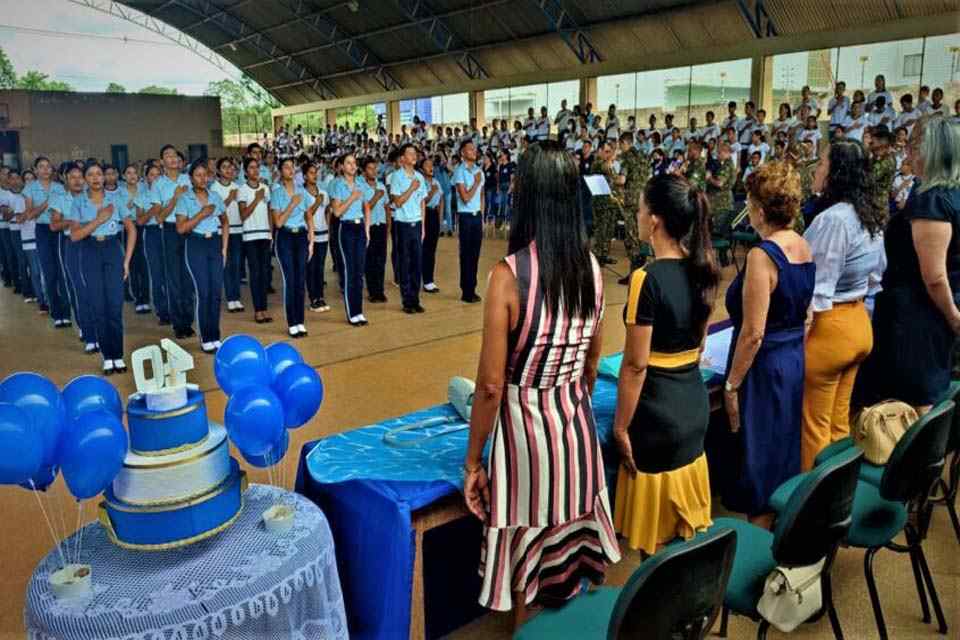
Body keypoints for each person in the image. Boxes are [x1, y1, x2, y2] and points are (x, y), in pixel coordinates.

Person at [463, 141, 620, 625]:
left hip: (525, 436)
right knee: (572, 558)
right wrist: (568, 400)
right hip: (575, 427)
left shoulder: (508, 276)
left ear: (526, 195)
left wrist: (473, 461)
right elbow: (592, 362)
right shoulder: (592, 268)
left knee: (529, 573)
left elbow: (490, 386)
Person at [612, 172, 718, 556]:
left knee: (655, 542)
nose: (637, 216)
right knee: (682, 532)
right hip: (693, 406)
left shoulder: (647, 278)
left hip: (657, 416)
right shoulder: (703, 269)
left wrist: (620, 427)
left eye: (640, 210)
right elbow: (698, 343)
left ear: (654, 220)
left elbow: (635, 366)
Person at [722, 161, 815, 524]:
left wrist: (732, 385)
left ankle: (761, 537)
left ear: (760, 210)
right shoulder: (803, 246)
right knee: (783, 447)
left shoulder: (762, 256)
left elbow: (753, 332)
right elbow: (806, 314)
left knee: (760, 454)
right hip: (793, 358)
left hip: (764, 364)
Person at [854, 116, 960, 412]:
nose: (908, 152)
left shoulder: (931, 200)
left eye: (914, 146)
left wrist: (953, 317)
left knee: (916, 402)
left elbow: (934, 276)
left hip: (919, 316)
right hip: (930, 310)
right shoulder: (948, 193)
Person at [800, 140, 886, 470]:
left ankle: (814, 496)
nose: (816, 169)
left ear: (836, 172)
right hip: (858, 323)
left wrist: (802, 337)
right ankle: (842, 488)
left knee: (814, 425)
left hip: (830, 328)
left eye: (821, 163)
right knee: (839, 419)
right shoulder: (869, 215)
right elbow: (876, 276)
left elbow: (818, 289)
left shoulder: (834, 220)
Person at [68, 162, 136, 373]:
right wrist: (99, 220)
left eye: (99, 174)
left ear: (104, 177)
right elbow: (75, 235)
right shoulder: (78, 202)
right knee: (98, 306)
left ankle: (118, 355)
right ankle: (107, 356)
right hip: (89, 251)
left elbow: (132, 230)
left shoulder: (115, 200)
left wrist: (126, 261)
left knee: (115, 306)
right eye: (91, 174)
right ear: (85, 179)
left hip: (112, 250)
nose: (96, 178)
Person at [176, 160, 228, 354]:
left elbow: (225, 222)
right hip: (196, 244)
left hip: (214, 243)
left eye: (205, 175)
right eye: (198, 175)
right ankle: (205, 337)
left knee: (216, 293)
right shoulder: (185, 199)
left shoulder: (215, 196)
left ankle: (215, 336)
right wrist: (201, 214)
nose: (202, 178)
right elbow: (181, 228)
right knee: (203, 292)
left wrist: (224, 248)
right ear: (191, 178)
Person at [154, 145, 195, 340]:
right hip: (170, 230)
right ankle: (178, 324)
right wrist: (175, 198)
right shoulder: (158, 184)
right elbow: (159, 217)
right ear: (162, 162)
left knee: (188, 277)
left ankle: (189, 321)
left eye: (174, 155)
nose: (172, 158)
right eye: (167, 156)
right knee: (174, 279)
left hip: (190, 228)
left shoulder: (189, 179)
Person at [23, 157, 70, 326]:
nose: (45, 170)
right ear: (35, 170)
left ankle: (66, 312)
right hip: (42, 230)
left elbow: (66, 209)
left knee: (62, 271)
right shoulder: (30, 188)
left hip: (59, 230)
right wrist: (46, 204)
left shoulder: (59, 187)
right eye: (41, 167)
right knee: (49, 272)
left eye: (48, 167)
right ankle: (56, 314)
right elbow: (29, 215)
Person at [270, 157, 313, 338]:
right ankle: (292, 322)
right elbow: (278, 222)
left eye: (292, 167)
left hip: (301, 236)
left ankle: (300, 321)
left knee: (300, 280)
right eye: (286, 167)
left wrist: (311, 239)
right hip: (285, 237)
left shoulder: (302, 191)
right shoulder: (277, 193)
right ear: (280, 171)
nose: (290, 170)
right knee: (290, 280)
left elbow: (309, 216)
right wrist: (292, 204)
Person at [330, 153, 371, 326]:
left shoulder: (361, 183)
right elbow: (337, 212)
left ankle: (359, 311)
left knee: (359, 272)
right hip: (346, 228)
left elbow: (366, 207)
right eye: (348, 163)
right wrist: (352, 197)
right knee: (349, 271)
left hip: (359, 227)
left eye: (354, 163)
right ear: (342, 166)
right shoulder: (337, 185)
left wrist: (367, 230)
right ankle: (352, 312)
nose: (353, 166)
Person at [389, 143, 428, 314]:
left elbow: (422, 202)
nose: (414, 156)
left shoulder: (420, 177)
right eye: (410, 153)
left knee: (417, 263)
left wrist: (423, 226)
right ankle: (406, 301)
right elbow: (397, 202)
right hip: (402, 224)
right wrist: (411, 188)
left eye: (415, 153)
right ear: (402, 158)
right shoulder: (396, 177)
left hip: (417, 223)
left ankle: (415, 299)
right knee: (404, 263)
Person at [237, 157, 273, 324]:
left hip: (264, 235)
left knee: (265, 273)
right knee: (255, 273)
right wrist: (257, 199)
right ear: (245, 172)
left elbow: (268, 212)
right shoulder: (242, 190)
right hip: (250, 236)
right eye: (251, 167)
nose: (255, 170)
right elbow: (243, 215)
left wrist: (271, 232)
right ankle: (258, 310)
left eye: (257, 167)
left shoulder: (265, 188)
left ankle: (264, 308)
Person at [210, 158, 244, 314]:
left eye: (230, 167)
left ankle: (237, 297)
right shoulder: (214, 188)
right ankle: (231, 298)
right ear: (218, 171)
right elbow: (215, 210)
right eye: (224, 167)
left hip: (237, 230)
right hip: (221, 231)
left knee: (236, 265)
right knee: (226, 264)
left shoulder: (238, 187)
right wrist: (230, 198)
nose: (228, 170)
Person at [453, 140, 484, 303]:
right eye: (470, 149)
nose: (474, 151)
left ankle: (472, 288)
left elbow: (482, 196)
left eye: (474, 149)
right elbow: (465, 198)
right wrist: (476, 182)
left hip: (476, 216)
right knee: (466, 254)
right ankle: (466, 290)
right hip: (465, 216)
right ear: (463, 153)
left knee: (475, 254)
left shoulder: (479, 170)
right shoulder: (460, 171)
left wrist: (482, 216)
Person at [303, 161, 330, 314]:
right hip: (309, 235)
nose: (315, 175)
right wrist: (316, 203)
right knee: (311, 267)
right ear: (305, 176)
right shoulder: (302, 193)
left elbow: (327, 211)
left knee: (320, 267)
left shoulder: (323, 192)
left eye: (316, 172)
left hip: (323, 233)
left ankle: (320, 296)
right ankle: (313, 298)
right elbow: (305, 215)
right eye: (311, 173)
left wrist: (328, 227)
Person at [361, 157, 388, 304]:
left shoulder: (382, 186)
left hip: (381, 225)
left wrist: (388, 226)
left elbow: (387, 207)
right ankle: (372, 291)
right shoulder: (361, 188)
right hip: (368, 227)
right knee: (370, 260)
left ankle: (380, 291)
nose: (374, 171)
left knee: (381, 259)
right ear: (364, 171)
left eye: (375, 168)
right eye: (370, 168)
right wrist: (376, 197)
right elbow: (364, 209)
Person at [420, 157, 443, 294]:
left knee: (432, 249)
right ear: (422, 169)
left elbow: (441, 200)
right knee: (424, 249)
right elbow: (424, 201)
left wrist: (440, 218)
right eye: (427, 165)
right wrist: (432, 191)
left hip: (434, 215)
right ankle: (423, 279)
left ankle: (429, 280)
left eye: (431, 165)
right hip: (424, 214)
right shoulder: (420, 182)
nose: (431, 167)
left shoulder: (436, 182)